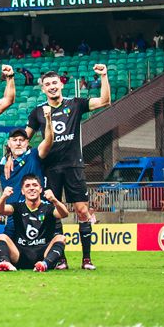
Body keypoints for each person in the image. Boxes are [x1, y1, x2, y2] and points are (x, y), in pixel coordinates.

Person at [24, 64, 110, 270]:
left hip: (73, 166)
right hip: (50, 169)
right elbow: (23, 139)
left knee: (82, 211)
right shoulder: (37, 112)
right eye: (47, 85)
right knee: (54, 213)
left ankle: (86, 259)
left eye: (54, 83)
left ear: (61, 84)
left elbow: (105, 101)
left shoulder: (76, 104)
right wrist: (10, 157)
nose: (52, 86)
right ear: (43, 89)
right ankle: (60, 258)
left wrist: (104, 76)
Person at [0, 174, 69, 272]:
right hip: (20, 254)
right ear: (22, 191)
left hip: (43, 254)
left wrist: (54, 200)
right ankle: (6, 263)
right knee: (0, 236)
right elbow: (0, 210)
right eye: (27, 186)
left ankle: (45, 264)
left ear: (40, 189)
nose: (32, 188)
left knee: (61, 238)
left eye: (35, 185)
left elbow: (64, 214)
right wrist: (3, 197)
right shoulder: (17, 207)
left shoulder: (48, 208)